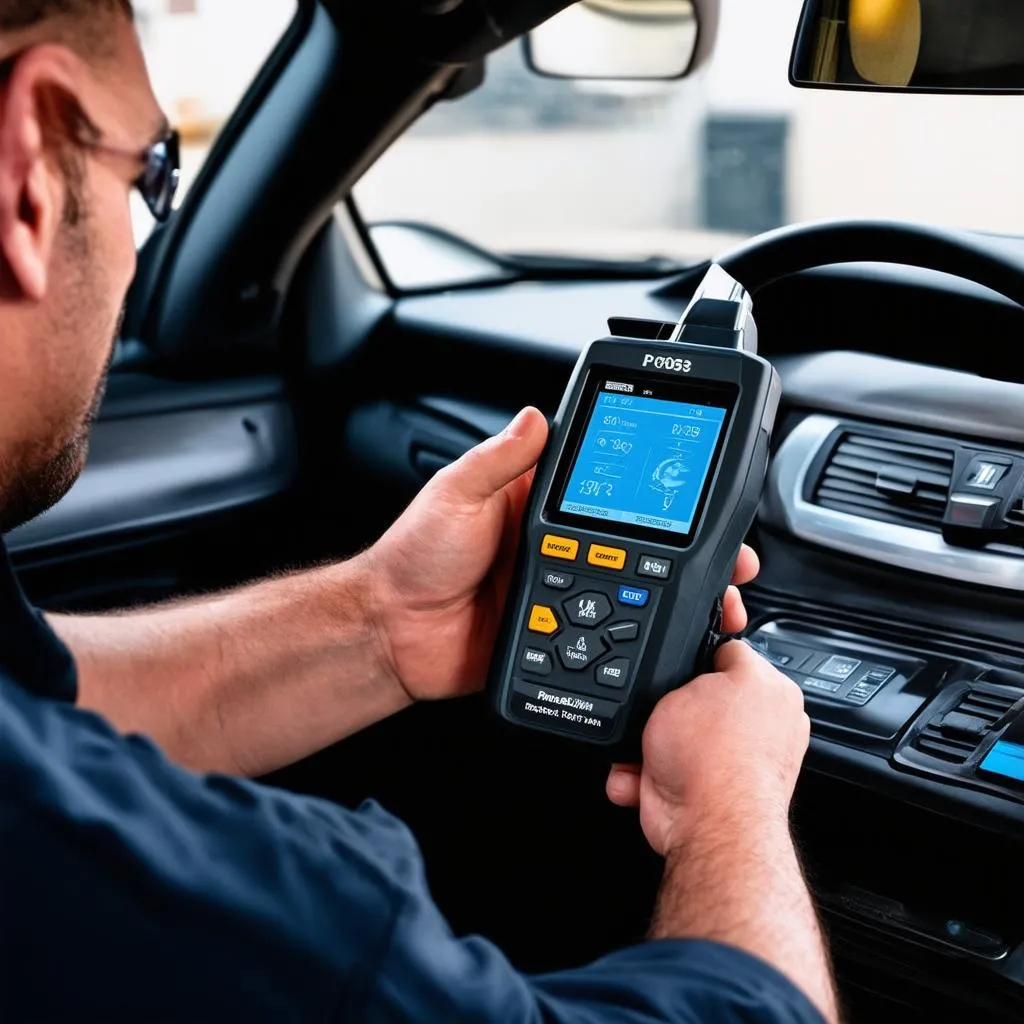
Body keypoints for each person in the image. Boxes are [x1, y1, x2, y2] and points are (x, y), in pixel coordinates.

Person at [0, 2, 839, 1021]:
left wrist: (379, 621)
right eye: (150, 179)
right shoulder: (292, 919)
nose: (141, 245)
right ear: (25, 176)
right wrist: (732, 809)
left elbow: (43, 702)